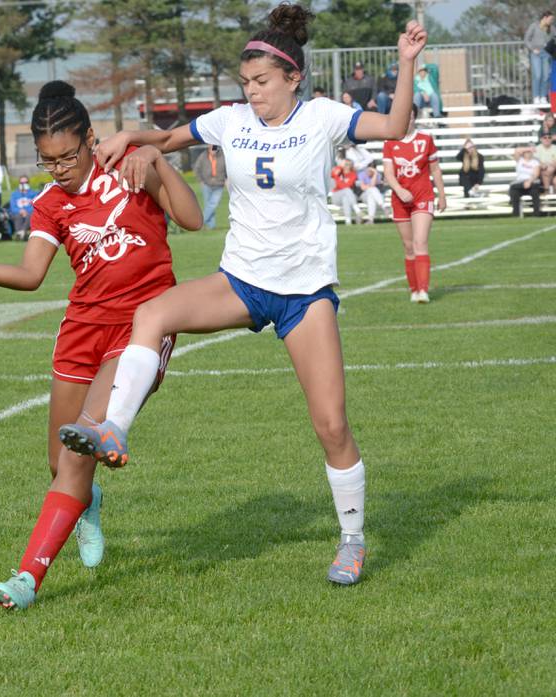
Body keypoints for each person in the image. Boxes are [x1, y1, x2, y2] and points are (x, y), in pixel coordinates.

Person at [59, 6, 430, 587]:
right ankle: (115, 429)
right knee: (152, 313)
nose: (252, 94)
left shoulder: (324, 117)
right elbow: (169, 138)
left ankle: (352, 540)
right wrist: (134, 134)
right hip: (240, 282)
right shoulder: (231, 121)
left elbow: (395, 128)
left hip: (303, 295)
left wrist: (406, 64)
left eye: (261, 83)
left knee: (331, 425)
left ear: (292, 78)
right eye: (246, 85)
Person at [0, 81, 202, 611]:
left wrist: (160, 163)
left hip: (140, 329)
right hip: (80, 332)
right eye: (48, 161)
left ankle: (27, 578)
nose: (59, 169)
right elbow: (31, 275)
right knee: (59, 463)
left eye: (68, 156)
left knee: (77, 454)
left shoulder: (129, 170)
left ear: (91, 141)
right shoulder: (51, 204)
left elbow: (192, 220)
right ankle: (86, 500)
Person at [382, 104, 447, 304]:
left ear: (414, 118)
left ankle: (423, 291)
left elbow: (435, 170)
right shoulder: (390, 142)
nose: (406, 120)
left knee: (420, 242)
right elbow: (388, 173)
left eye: (409, 116)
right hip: (400, 199)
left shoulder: (426, 140)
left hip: (422, 197)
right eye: (402, 116)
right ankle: (414, 288)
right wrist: (400, 191)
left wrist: (442, 195)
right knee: (408, 246)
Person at [192, 144, 227, 228]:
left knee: (213, 204)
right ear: (208, 147)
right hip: (206, 184)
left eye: (215, 147)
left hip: (219, 184)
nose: (213, 149)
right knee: (208, 204)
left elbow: (228, 168)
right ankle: (211, 226)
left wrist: (227, 179)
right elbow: (196, 168)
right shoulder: (203, 156)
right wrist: (200, 181)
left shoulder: (222, 156)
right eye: (212, 147)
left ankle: (201, 221)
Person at [525, 11, 554, 105]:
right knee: (538, 75)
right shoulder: (534, 26)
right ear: (545, 18)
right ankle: (536, 96)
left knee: (546, 76)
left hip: (547, 54)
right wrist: (532, 49)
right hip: (536, 54)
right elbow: (526, 39)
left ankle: (543, 96)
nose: (551, 21)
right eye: (550, 19)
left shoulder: (551, 28)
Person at [509, 148, 542, 216]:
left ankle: (536, 214)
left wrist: (529, 181)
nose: (528, 153)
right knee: (514, 191)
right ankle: (516, 214)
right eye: (526, 152)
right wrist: (529, 148)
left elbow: (536, 174)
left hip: (532, 181)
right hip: (520, 183)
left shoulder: (535, 162)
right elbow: (516, 150)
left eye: (530, 152)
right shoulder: (519, 160)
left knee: (535, 192)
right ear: (523, 153)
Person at [330, 159, 362, 225]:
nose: (347, 166)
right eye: (346, 164)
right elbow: (334, 177)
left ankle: (348, 221)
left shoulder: (353, 174)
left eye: (349, 165)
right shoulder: (338, 171)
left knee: (346, 199)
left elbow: (348, 185)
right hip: (336, 196)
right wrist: (339, 171)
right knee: (347, 190)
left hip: (348, 197)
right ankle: (356, 209)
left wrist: (338, 180)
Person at [8, 175, 38, 240]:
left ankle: (21, 233)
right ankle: (21, 233)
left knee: (30, 215)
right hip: (17, 213)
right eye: (22, 183)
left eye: (26, 183)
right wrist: (20, 211)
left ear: (28, 183)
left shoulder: (33, 193)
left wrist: (26, 211)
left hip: (29, 213)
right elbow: (12, 207)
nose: (24, 184)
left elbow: (35, 205)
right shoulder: (14, 194)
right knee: (18, 216)